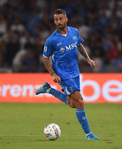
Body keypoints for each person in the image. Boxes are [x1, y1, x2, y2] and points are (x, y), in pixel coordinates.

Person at [35, 9, 99, 140]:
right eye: (56, 19)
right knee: (80, 101)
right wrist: (53, 73)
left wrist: (88, 58)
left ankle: (48, 90)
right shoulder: (51, 40)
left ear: (66, 19)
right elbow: (45, 58)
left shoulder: (74, 31)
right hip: (63, 74)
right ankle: (89, 134)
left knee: (72, 103)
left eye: (61, 19)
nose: (58, 22)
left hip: (75, 71)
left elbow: (79, 45)